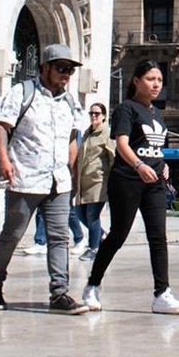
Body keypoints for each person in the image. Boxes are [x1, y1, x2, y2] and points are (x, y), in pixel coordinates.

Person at [0, 43, 88, 315]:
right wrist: (4, 161)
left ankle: (60, 293)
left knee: (59, 237)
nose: (66, 74)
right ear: (45, 68)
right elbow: (1, 127)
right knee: (12, 234)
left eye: (70, 70)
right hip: (25, 177)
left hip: (58, 181)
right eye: (61, 68)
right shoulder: (22, 92)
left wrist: (73, 170)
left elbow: (72, 139)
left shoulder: (70, 102)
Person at [81, 60, 179, 314]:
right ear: (137, 81)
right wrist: (139, 165)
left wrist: (163, 165)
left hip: (155, 183)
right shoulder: (126, 109)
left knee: (158, 237)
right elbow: (122, 144)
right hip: (127, 180)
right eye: (150, 79)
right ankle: (92, 285)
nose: (156, 84)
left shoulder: (157, 113)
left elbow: (154, 147)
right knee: (118, 235)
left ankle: (162, 293)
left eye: (159, 80)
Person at [73, 102, 114, 261]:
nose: (94, 116)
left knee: (92, 215)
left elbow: (113, 158)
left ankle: (94, 248)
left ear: (104, 116)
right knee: (79, 212)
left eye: (97, 113)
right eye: (91, 113)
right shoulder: (87, 133)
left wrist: (114, 182)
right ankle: (102, 236)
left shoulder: (107, 134)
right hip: (83, 182)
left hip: (98, 181)